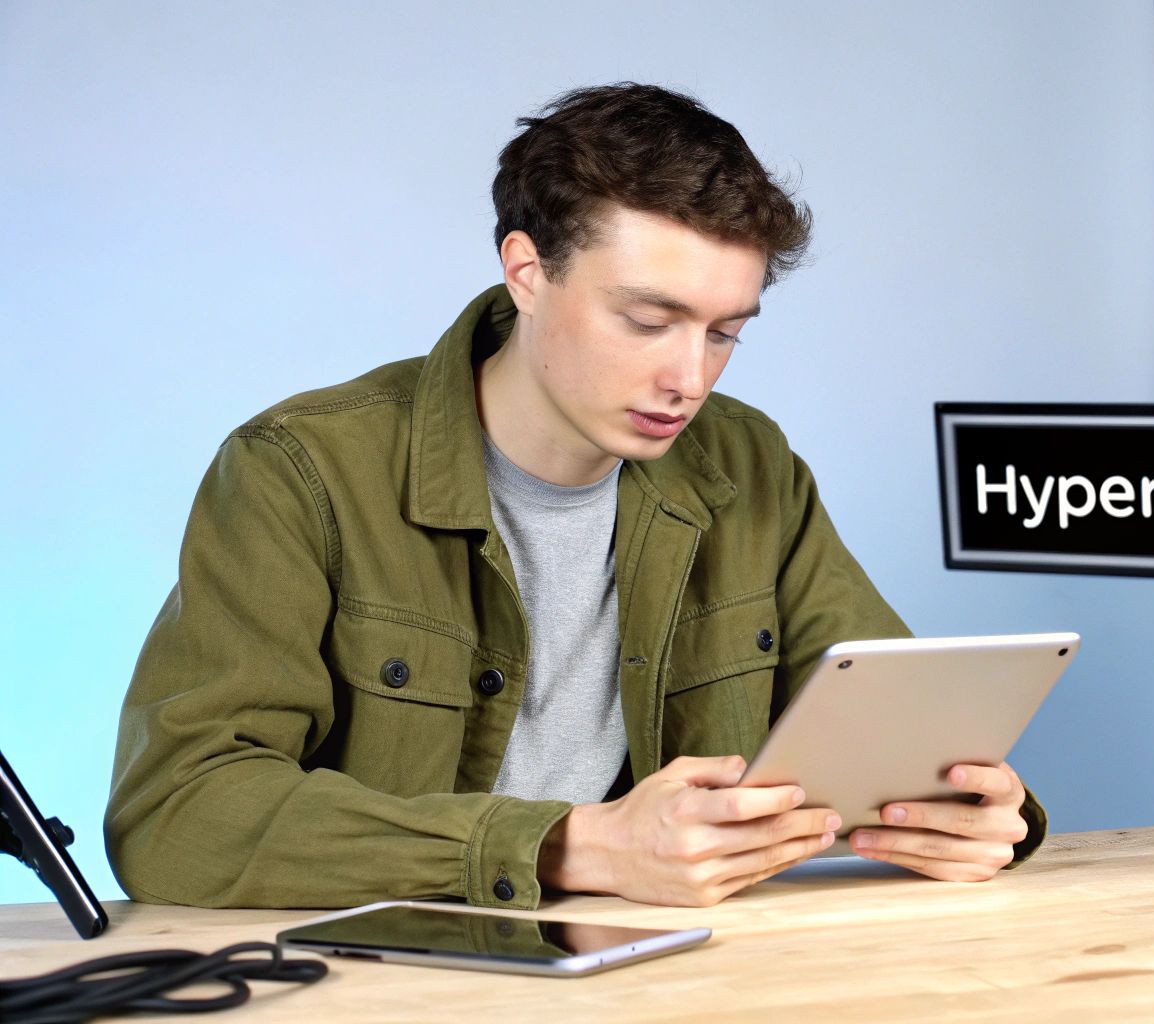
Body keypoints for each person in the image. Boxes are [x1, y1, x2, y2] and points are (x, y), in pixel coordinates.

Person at [105, 83, 1045, 911]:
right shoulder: (301, 470)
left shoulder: (750, 466)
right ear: (527, 271)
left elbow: (901, 720)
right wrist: (571, 844)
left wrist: (977, 811)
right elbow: (178, 809)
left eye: (726, 333)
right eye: (647, 319)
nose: (690, 377)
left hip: (682, 974)